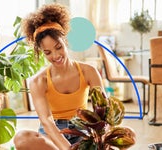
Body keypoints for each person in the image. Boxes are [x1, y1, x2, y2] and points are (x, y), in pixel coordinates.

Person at [14, 3, 105, 150]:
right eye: (48, 52)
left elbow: (101, 112)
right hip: (52, 135)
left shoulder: (89, 71)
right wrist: (68, 148)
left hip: (81, 130)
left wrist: (98, 139)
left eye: (58, 47)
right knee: (22, 138)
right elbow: (47, 121)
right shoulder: (39, 81)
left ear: (66, 42)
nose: (55, 56)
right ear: (42, 53)